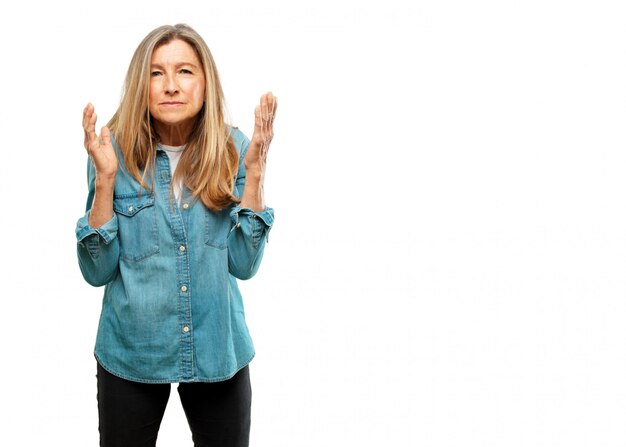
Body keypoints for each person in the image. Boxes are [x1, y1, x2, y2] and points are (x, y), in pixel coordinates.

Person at [75, 23, 276, 447]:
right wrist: (107, 180)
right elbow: (96, 272)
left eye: (185, 71)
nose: (171, 86)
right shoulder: (112, 153)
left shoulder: (234, 148)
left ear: (205, 83)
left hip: (217, 350)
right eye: (156, 73)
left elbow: (244, 264)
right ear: (140, 85)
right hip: (131, 351)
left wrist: (254, 173)